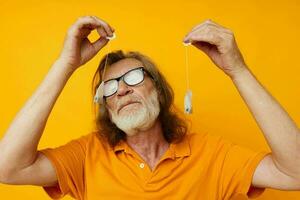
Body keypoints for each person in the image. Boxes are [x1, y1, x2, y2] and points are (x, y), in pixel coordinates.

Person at [0, 15, 299, 200]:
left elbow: (295, 174)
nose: (123, 89)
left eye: (133, 77)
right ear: (106, 104)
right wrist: (66, 65)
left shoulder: (212, 155)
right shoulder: (86, 157)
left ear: (158, 88)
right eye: (110, 86)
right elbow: (8, 168)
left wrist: (238, 70)